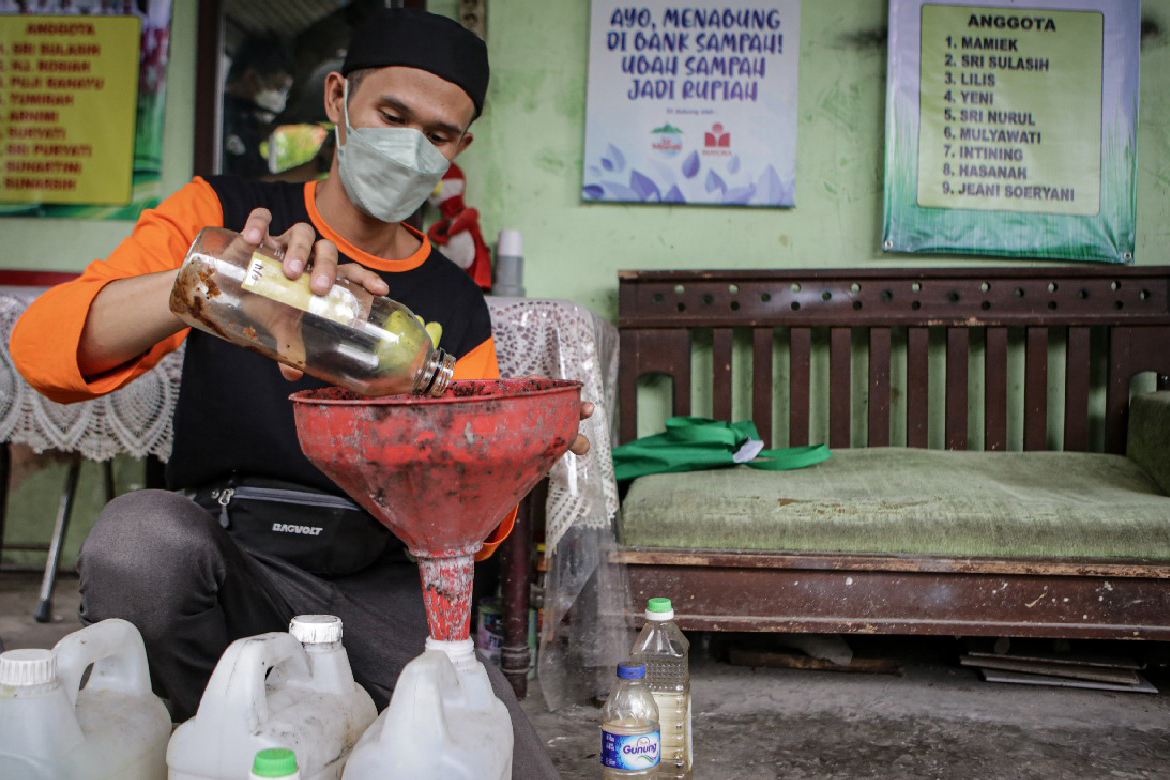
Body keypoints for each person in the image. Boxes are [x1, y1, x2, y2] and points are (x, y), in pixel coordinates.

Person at [11, 9, 585, 779]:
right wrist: (217, 281)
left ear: (460, 149)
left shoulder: (453, 303)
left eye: (439, 135)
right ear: (338, 98)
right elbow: (41, 351)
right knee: (139, 543)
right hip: (229, 564)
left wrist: (511, 452)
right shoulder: (222, 215)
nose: (412, 147)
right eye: (392, 116)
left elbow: (473, 536)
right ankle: (216, 740)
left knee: (511, 764)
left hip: (376, 586)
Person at [222, 35, 296, 178]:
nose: (281, 98)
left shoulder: (246, 119)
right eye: (278, 88)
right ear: (251, 77)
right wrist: (317, 165)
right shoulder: (221, 118)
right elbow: (254, 185)